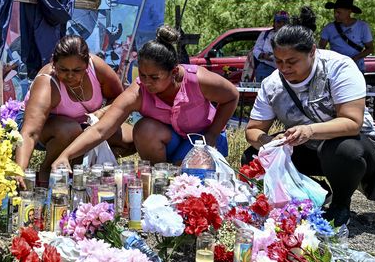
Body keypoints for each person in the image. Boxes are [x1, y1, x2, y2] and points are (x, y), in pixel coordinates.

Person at [244, 25, 375, 226]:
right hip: (309, 147)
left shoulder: (339, 68)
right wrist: (270, 142)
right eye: (278, 61)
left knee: (345, 151)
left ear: (312, 51)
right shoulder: (271, 84)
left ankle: (340, 204)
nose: (284, 68)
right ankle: (315, 191)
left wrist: (309, 131)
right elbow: (253, 130)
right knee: (254, 156)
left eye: (292, 61)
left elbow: (352, 122)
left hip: (356, 147)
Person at [52, 27, 239, 167]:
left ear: (174, 72)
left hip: (203, 140)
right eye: (142, 75)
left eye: (154, 77)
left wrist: (213, 133)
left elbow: (232, 96)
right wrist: (65, 156)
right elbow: (102, 130)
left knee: (190, 177)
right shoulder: (139, 91)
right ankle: (160, 176)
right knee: (143, 128)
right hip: (170, 141)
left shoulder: (198, 80)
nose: (147, 82)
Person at [15, 35, 131, 184]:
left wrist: (102, 113)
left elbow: (120, 100)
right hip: (46, 129)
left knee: (130, 139)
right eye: (63, 69)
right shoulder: (47, 83)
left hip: (85, 125)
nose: (70, 75)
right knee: (70, 130)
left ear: (87, 65)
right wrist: (19, 171)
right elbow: (30, 132)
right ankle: (47, 171)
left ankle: (83, 163)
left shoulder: (97, 67)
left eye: (77, 70)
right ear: (54, 63)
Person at [318, 0, 374, 71]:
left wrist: (353, 59)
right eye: (334, 12)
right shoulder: (329, 28)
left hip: (357, 69)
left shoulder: (362, 26)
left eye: (338, 12)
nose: (335, 15)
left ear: (349, 11)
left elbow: (370, 49)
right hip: (335, 70)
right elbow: (321, 50)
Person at [252, 11, 289, 82]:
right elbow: (256, 50)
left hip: (285, 69)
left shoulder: (292, 36)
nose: (281, 24)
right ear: (274, 23)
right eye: (278, 22)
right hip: (265, 68)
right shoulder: (265, 34)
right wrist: (263, 56)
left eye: (284, 22)